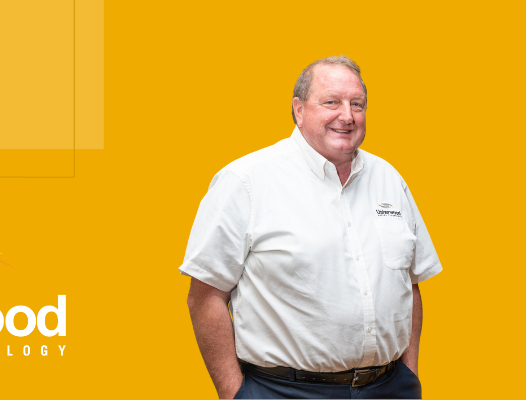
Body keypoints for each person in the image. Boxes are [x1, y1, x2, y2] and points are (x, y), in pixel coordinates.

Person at [181, 55, 442, 399]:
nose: (347, 116)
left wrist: (409, 373)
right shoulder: (245, 181)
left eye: (357, 104)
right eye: (331, 102)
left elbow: (410, 283)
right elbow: (205, 296)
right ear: (299, 110)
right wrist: (234, 393)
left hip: (390, 387)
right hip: (283, 390)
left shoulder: (389, 179)